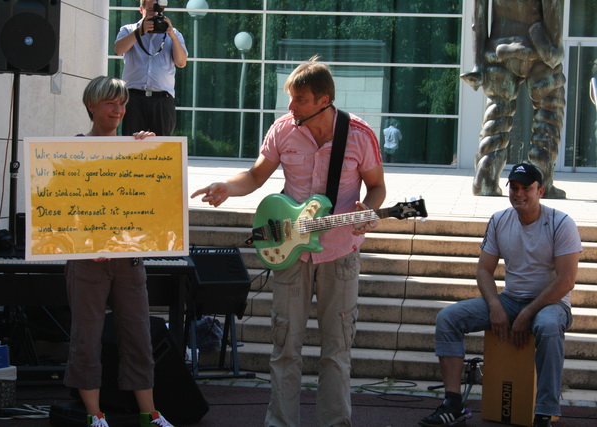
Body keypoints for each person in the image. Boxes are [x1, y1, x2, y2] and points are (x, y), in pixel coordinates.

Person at [191, 56, 386, 427]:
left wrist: (368, 211)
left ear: (323, 100)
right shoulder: (282, 130)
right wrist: (226, 189)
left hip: (340, 253)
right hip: (289, 254)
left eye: (298, 99)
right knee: (284, 349)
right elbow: (254, 176)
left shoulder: (360, 136)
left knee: (336, 351)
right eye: (290, 98)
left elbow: (377, 187)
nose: (290, 106)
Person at [418, 163, 582, 427]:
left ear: (540, 191)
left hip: (551, 303)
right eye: (514, 188)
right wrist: (494, 304)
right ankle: (453, 404)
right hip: (510, 299)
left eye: (526, 188)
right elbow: (483, 270)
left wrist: (528, 312)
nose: (519, 194)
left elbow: (566, 281)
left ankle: (543, 413)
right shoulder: (499, 219)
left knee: (549, 327)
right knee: (448, 318)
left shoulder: (561, 223)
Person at [64, 76, 174, 427]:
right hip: (87, 261)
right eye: (111, 103)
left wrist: (152, 155)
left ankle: (150, 414)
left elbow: (156, 198)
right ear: (91, 106)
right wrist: (86, 243)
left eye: (122, 103)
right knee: (86, 337)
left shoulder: (135, 147)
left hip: (129, 257)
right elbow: (63, 205)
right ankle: (95, 415)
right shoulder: (73, 150)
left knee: (139, 336)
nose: (119, 110)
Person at [461, 0, 566, 198]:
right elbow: (553, 13)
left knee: (496, 119)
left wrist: (478, 64)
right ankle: (542, 182)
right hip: (537, 48)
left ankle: (486, 180)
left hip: (498, 49)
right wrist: (554, 52)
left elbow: (478, 20)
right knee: (548, 117)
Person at [114, 0, 188, 136]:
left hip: (162, 99)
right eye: (149, 11)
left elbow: (181, 62)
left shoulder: (174, 34)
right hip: (134, 98)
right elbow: (119, 49)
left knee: (162, 147)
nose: (153, 14)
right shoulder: (128, 30)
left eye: (157, 11)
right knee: (132, 145)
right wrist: (140, 31)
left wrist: (171, 34)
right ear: (141, 9)